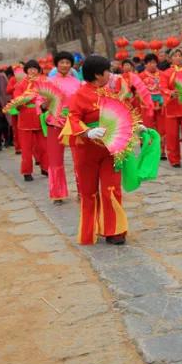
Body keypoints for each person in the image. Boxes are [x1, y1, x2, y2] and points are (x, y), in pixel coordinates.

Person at [65, 54, 128, 245]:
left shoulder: (109, 93)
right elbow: (73, 119)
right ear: (98, 74)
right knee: (89, 192)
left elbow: (120, 117)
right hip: (87, 150)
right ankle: (89, 231)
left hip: (110, 149)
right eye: (108, 70)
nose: (110, 74)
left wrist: (134, 129)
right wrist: (87, 131)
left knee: (111, 188)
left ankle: (114, 230)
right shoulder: (79, 95)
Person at [46, 51, 81, 203]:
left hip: (73, 122)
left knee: (79, 158)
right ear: (57, 64)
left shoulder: (76, 82)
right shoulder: (49, 81)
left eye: (68, 62)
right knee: (55, 159)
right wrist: (45, 104)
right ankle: (57, 193)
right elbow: (40, 100)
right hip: (54, 123)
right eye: (62, 62)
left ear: (71, 65)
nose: (65, 65)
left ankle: (82, 191)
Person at [12, 59, 47, 181]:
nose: (33, 70)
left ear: (38, 70)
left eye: (35, 68)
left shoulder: (42, 83)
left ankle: (45, 168)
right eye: (30, 68)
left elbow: (48, 99)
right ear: (26, 70)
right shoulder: (20, 85)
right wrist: (24, 99)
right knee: (26, 148)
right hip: (25, 117)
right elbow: (16, 102)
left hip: (39, 117)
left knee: (43, 146)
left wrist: (45, 104)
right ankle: (27, 171)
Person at [161, 49, 182, 169]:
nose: (178, 57)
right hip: (171, 107)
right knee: (172, 135)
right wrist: (170, 93)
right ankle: (174, 159)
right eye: (175, 55)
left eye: (180, 55)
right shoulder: (166, 73)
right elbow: (163, 88)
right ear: (170, 59)